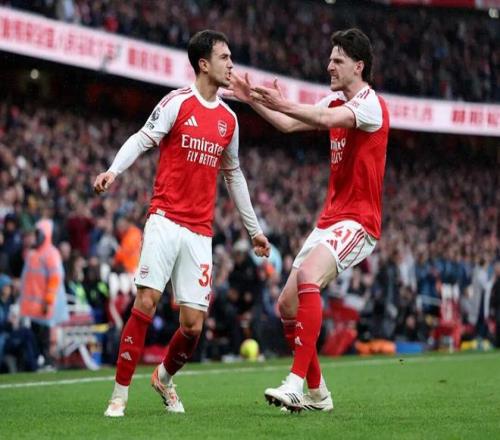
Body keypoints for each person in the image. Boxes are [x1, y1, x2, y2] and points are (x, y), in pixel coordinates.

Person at [94, 29, 270, 417]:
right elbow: (142, 138)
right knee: (146, 301)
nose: (231, 64)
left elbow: (234, 175)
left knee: (192, 326)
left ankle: (164, 378)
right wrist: (113, 171)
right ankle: (119, 395)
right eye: (224, 57)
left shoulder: (229, 120)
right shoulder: (177, 103)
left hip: (200, 231)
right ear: (203, 64)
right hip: (165, 219)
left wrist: (254, 230)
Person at [228, 28, 389, 412]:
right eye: (330, 59)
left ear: (358, 66)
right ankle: (318, 394)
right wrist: (252, 100)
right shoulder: (335, 100)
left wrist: (282, 101)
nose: (329, 66)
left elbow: (317, 116)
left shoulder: (370, 104)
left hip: (359, 222)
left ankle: (295, 383)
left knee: (308, 278)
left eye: (337, 60)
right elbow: (288, 125)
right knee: (287, 305)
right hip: (330, 219)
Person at [19, 219, 69, 367]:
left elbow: (55, 279)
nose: (36, 237)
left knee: (45, 336)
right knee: (34, 336)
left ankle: (47, 361)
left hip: (44, 306)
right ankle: (37, 361)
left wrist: (48, 301)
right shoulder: (33, 253)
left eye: (38, 234)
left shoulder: (51, 253)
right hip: (32, 307)